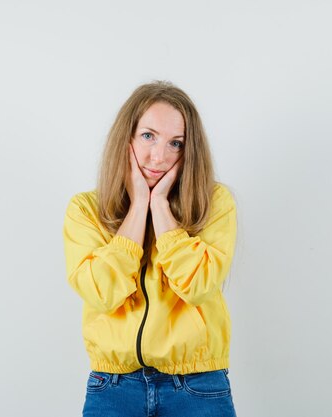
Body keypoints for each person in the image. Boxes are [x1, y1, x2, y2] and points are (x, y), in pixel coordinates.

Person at [62, 80, 239, 417]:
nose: (159, 156)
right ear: (126, 138)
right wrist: (137, 204)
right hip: (113, 387)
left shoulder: (215, 203)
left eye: (176, 143)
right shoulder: (85, 210)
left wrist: (159, 206)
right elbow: (101, 291)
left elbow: (200, 284)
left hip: (198, 386)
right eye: (148, 136)